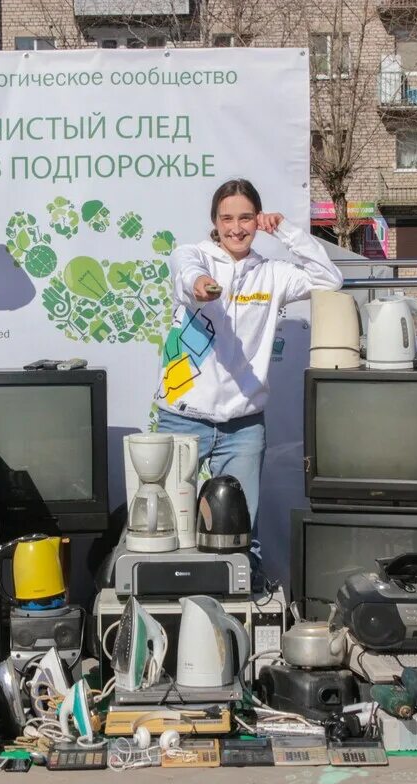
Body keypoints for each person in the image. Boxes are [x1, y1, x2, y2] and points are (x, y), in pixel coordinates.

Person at [155, 178, 343, 568]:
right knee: (169, 528)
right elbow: (185, 273)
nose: (236, 228)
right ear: (215, 221)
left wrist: (288, 231)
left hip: (242, 427)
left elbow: (330, 279)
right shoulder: (196, 256)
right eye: (227, 219)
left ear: (258, 221)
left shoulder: (272, 273)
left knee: (242, 533)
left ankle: (240, 612)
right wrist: (201, 286)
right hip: (182, 418)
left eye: (245, 218)